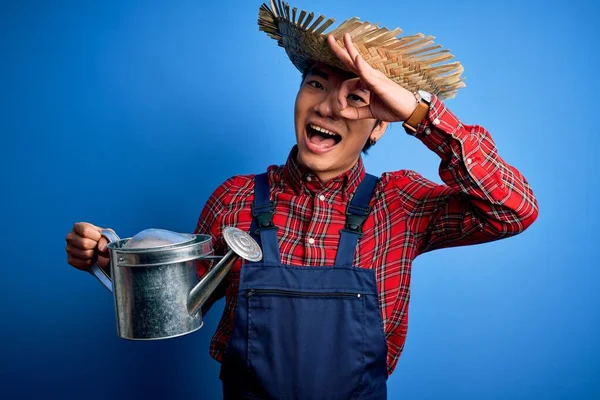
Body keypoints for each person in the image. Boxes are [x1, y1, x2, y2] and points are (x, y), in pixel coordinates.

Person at [65, 1, 539, 399]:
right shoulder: (234, 200)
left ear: (380, 122)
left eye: (358, 95)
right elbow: (179, 306)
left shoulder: (402, 205)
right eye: (316, 83)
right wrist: (116, 262)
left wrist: (418, 114)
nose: (330, 106)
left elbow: (515, 209)